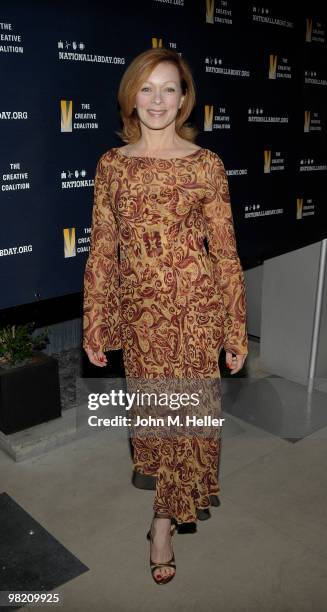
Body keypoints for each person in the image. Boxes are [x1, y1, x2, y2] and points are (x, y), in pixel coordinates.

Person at [83, 47, 248, 584]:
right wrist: (95, 321)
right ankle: (164, 509)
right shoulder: (112, 166)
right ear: (132, 95)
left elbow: (224, 251)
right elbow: (103, 250)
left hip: (197, 312)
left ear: (184, 98)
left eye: (169, 88)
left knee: (189, 421)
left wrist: (234, 326)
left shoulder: (206, 165)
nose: (157, 100)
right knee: (157, 419)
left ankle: (161, 525)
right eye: (147, 88)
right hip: (141, 317)